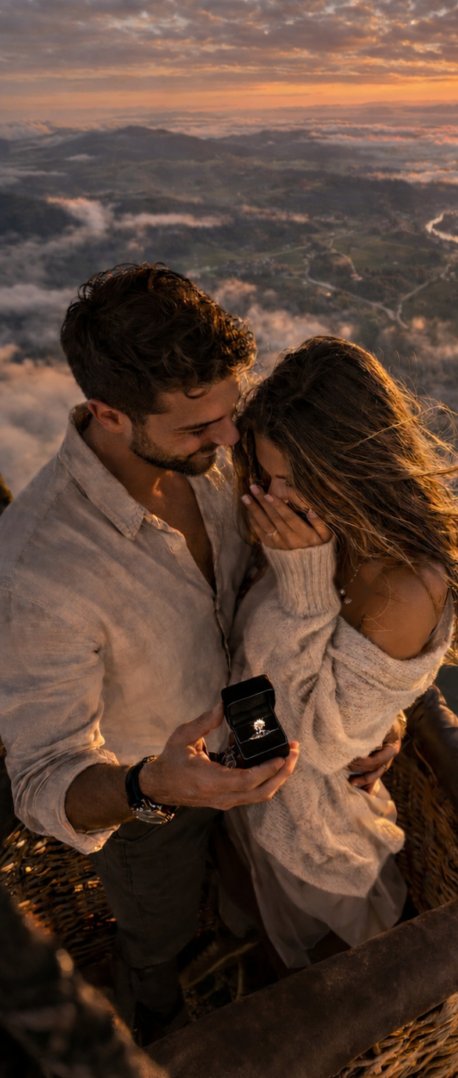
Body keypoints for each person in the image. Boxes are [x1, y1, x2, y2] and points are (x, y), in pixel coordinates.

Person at [0, 264, 302, 1042]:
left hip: (265, 747)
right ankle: (159, 1019)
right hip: (151, 812)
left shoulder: (215, 460)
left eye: (230, 413)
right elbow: (40, 782)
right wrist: (151, 783)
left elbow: (263, 589)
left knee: (252, 900)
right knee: (156, 938)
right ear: (107, 413)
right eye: (199, 428)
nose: (230, 439)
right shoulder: (38, 568)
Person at [225, 336, 458, 968]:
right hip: (250, 786)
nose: (273, 498)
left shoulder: (404, 587)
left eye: (294, 481)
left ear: (356, 471)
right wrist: (389, 711)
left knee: (329, 970)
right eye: (269, 476)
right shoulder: (313, 529)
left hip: (313, 828)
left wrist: (303, 589)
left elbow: (319, 742)